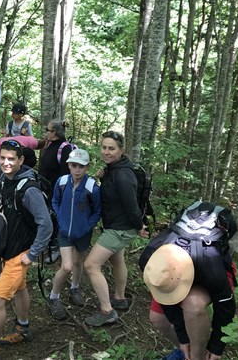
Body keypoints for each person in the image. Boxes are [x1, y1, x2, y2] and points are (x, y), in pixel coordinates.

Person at [0, 139, 53, 360]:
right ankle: (23, 328)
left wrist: (32, 254)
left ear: (21, 160)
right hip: (8, 249)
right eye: (2, 158)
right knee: (20, 289)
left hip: (19, 254)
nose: (6, 163)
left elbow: (46, 224)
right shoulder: (4, 179)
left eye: (11, 159)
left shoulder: (29, 190)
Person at [140, 203, 238, 360]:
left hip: (206, 264)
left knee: (193, 305)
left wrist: (217, 346)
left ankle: (197, 358)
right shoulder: (150, 260)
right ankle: (186, 353)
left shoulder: (211, 267)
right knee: (158, 319)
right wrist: (183, 338)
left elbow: (226, 308)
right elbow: (165, 298)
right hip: (174, 268)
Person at [83, 131, 147, 327]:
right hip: (116, 225)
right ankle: (119, 298)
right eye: (104, 147)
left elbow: (131, 205)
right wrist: (103, 179)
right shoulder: (113, 169)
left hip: (121, 228)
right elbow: (113, 196)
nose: (106, 152)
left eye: (111, 148)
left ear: (121, 150)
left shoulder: (123, 174)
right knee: (117, 260)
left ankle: (107, 311)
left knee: (91, 265)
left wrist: (139, 226)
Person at [47, 149, 101, 320]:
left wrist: (88, 225)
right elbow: (55, 201)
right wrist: (60, 217)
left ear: (87, 167)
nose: (77, 169)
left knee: (78, 262)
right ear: (69, 165)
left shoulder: (92, 187)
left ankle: (74, 288)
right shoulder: (62, 182)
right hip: (65, 232)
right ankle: (53, 297)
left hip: (83, 233)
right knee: (67, 266)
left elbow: (97, 211)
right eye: (74, 165)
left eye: (81, 166)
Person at [38, 120, 74, 263]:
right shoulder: (50, 145)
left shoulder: (65, 149)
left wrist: (60, 194)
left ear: (54, 133)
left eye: (48, 130)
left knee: (55, 218)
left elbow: (66, 174)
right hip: (45, 189)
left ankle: (56, 247)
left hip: (56, 192)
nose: (46, 132)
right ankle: (47, 242)